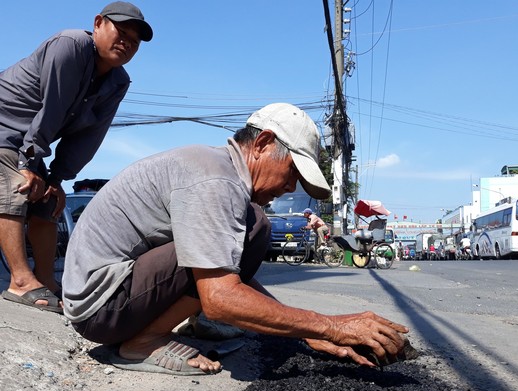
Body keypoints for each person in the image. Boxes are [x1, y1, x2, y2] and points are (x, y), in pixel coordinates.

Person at [62, 103, 409, 375]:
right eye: (292, 173)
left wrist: (310, 332)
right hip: (102, 306)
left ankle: (177, 325)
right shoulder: (216, 180)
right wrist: (332, 326)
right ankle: (142, 342)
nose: (290, 187)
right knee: (255, 228)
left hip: (109, 298)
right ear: (262, 143)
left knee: (250, 228)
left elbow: (229, 273)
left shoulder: (219, 169)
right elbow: (221, 296)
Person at [0, 2, 153, 313]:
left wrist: (56, 178)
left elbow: (88, 137)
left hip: (26, 141)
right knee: (17, 185)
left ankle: (46, 280)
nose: (126, 43)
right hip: (4, 131)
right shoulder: (70, 46)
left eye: (134, 41)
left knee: (48, 202)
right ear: (98, 24)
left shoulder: (118, 82)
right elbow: (51, 111)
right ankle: (20, 281)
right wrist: (29, 165)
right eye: (121, 32)